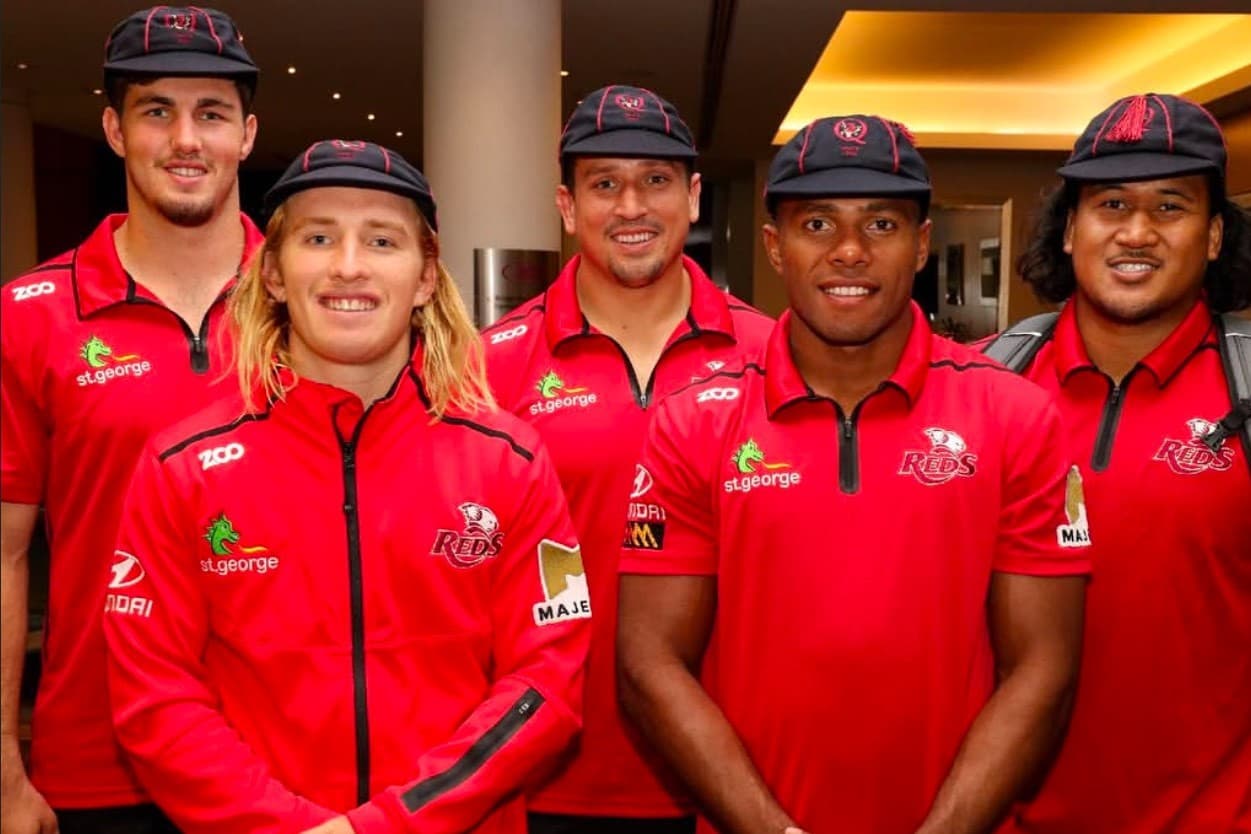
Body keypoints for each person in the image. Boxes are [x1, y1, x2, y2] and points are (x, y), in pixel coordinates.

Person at [616, 115, 1091, 834]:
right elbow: (648, 662)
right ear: (774, 246)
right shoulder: (694, 420)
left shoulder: (1015, 413)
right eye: (816, 224)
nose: (847, 251)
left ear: (921, 242)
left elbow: (1044, 669)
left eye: (880, 224)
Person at [101, 140, 591, 834]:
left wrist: (389, 824)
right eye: (319, 237)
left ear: (425, 277)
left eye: (382, 240)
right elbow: (155, 697)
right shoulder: (180, 465)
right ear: (271, 272)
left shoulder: (511, 459)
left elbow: (549, 681)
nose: (349, 266)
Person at [482, 84, 772, 834]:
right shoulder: (487, 368)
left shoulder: (772, 354)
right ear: (567, 206)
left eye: (655, 180)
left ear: (694, 196)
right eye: (603, 183)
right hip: (546, 774)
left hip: (737, 778)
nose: (631, 206)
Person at [1, 7, 260, 832]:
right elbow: (3, 554)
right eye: (157, 110)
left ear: (247, 135)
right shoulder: (28, 315)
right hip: (95, 764)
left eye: (211, 113)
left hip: (289, 760)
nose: (186, 139)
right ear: (114, 128)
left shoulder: (318, 306)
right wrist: (5, 767)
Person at [1003, 93, 1251, 833]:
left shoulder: (1246, 386)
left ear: (1211, 237)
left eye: (1169, 206)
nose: (1135, 232)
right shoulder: (992, 381)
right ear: (1070, 227)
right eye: (1110, 204)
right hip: (1001, 818)